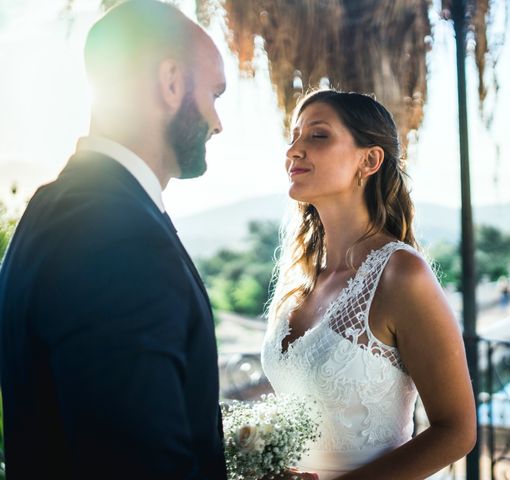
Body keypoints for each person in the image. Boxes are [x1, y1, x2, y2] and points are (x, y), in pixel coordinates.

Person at [0, 1, 227, 478]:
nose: (217, 122)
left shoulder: (50, 206)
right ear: (171, 83)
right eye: (215, 95)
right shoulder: (120, 239)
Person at [261, 90, 477, 479]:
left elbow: (456, 432)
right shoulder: (300, 279)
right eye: (293, 137)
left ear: (370, 159)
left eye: (318, 135)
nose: (294, 150)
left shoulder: (400, 275)